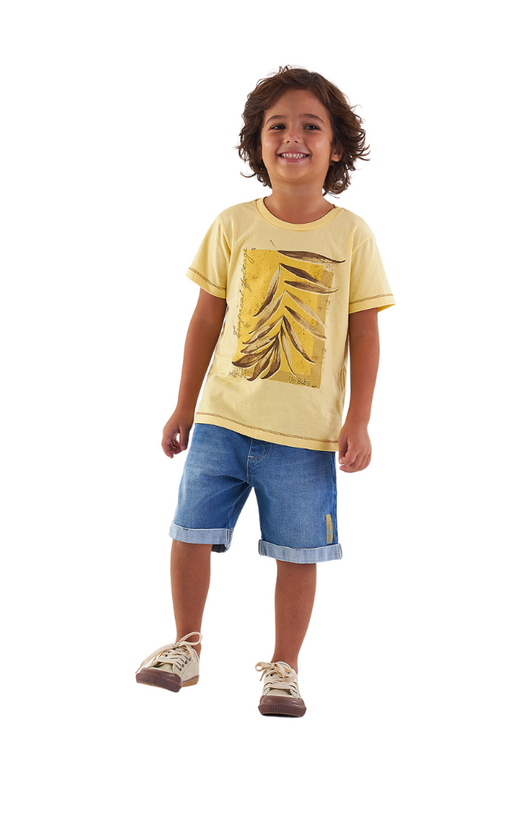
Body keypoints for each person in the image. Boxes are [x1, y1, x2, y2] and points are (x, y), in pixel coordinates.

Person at [135, 66, 395, 717]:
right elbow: (204, 319)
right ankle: (185, 646)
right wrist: (183, 404)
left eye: (311, 125)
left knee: (297, 550)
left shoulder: (351, 235)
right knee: (190, 530)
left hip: (305, 435)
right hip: (223, 417)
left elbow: (364, 333)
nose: (293, 137)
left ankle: (284, 668)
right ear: (258, 144)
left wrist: (358, 418)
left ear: (336, 147)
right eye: (277, 126)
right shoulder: (232, 225)